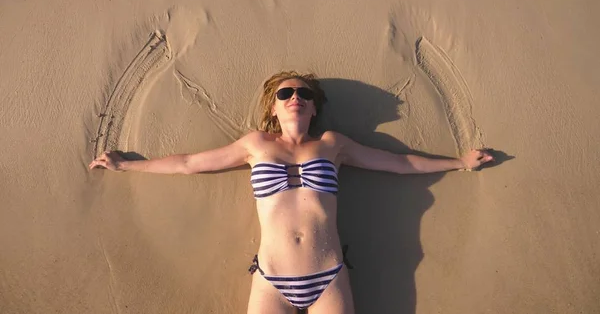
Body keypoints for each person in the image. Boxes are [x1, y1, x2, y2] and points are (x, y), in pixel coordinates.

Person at [89, 71, 494, 314]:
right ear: (274, 109)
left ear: (315, 108)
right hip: (271, 279)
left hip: (329, 277)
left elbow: (398, 163)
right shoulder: (255, 145)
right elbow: (190, 163)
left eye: (303, 94)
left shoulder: (334, 144)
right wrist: (127, 165)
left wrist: (459, 162)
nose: (295, 98)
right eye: (285, 94)